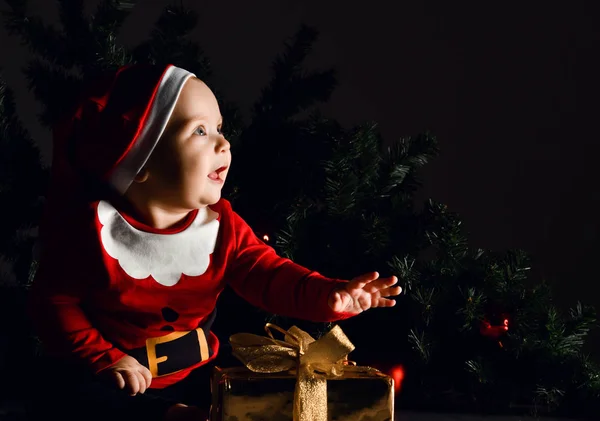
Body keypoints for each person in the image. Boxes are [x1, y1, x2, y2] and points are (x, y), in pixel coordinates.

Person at [27, 63, 402, 421]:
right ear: (140, 164)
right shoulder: (94, 233)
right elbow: (54, 302)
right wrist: (104, 358)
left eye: (220, 128)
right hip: (117, 375)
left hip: (196, 373)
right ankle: (167, 416)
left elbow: (270, 276)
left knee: (243, 394)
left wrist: (330, 295)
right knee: (71, 398)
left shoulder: (222, 227)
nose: (223, 143)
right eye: (200, 131)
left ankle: (186, 414)